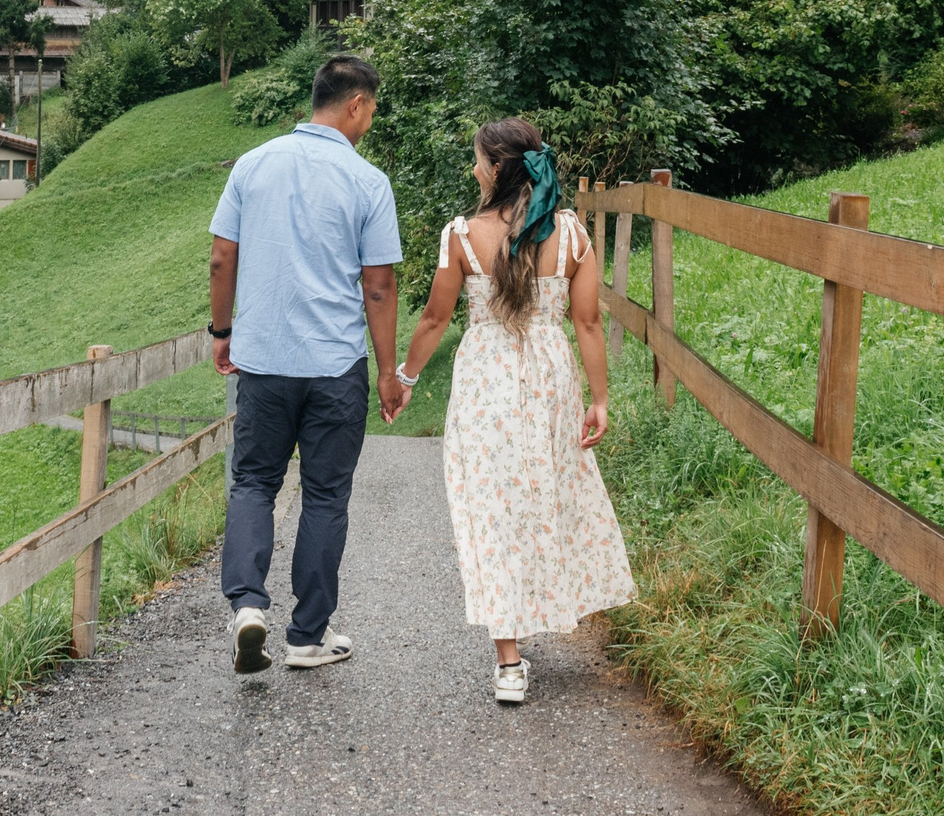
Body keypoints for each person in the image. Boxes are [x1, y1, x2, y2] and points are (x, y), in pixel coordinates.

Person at [396, 117, 635, 705]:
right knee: (548, 491)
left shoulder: (462, 235)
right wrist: (599, 399)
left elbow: (434, 319)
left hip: (486, 384)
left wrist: (404, 377)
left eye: (479, 161)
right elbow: (587, 322)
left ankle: (509, 663)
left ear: (497, 169)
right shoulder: (571, 233)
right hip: (552, 380)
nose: (474, 169)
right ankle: (552, 604)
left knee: (491, 507)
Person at [209, 54, 409, 674]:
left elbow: (221, 257)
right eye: (371, 111)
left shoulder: (252, 164)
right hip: (334, 365)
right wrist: (387, 371)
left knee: (253, 482)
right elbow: (379, 287)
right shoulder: (368, 181)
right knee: (325, 496)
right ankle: (306, 635)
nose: (370, 122)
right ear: (355, 104)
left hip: (263, 361)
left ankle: (247, 605)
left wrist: (223, 332)